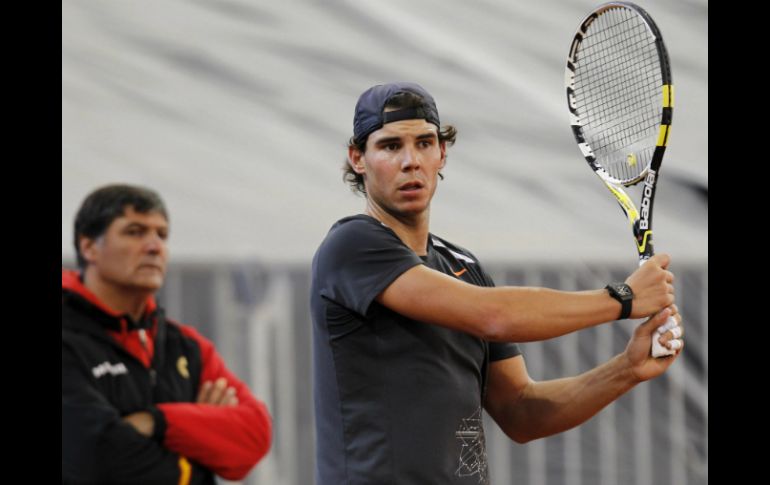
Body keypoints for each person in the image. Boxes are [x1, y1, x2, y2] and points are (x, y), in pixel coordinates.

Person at [310, 82, 684, 485]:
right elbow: (494, 316)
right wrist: (623, 298)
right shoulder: (352, 245)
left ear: (442, 154)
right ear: (358, 158)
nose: (410, 161)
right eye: (389, 146)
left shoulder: (462, 266)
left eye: (424, 143)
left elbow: (522, 412)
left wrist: (627, 368)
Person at [62, 184, 272, 484]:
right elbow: (97, 460)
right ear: (88, 247)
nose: (154, 246)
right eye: (134, 231)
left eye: (162, 235)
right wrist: (197, 452)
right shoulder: (69, 338)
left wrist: (156, 422)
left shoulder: (186, 346)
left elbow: (254, 437)